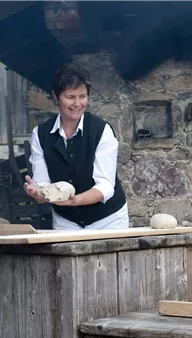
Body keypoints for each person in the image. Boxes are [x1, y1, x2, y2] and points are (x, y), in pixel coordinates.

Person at [23, 62, 129, 230]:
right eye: (71, 97)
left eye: (83, 96)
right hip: (66, 221)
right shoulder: (41, 134)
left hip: (108, 220)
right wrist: (38, 193)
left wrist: (76, 200)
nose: (78, 104)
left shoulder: (101, 130)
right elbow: (43, 183)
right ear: (56, 97)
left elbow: (106, 185)